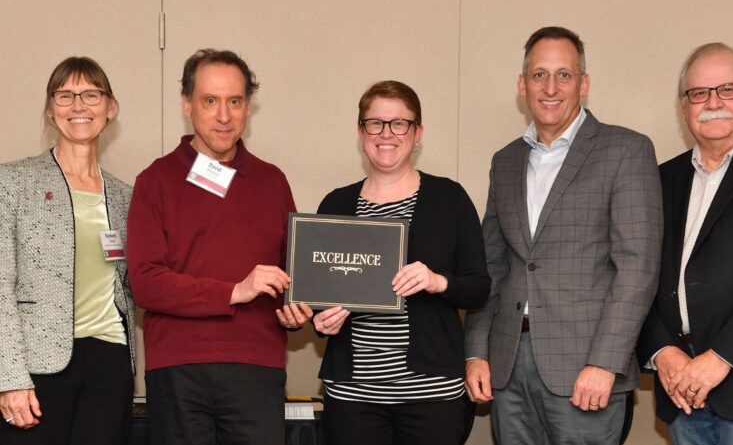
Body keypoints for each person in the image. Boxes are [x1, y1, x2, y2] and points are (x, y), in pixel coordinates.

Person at [463, 26, 663, 444]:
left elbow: (637, 268)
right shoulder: (505, 161)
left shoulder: (626, 150)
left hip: (586, 370)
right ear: (522, 85)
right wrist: (477, 350)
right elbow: (492, 267)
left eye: (564, 75)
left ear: (584, 83)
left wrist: (606, 363)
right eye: (539, 75)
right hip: (508, 365)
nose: (550, 87)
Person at [126, 49, 312, 445]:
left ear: (248, 108)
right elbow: (145, 284)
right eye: (210, 101)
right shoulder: (154, 181)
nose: (224, 115)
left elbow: (292, 280)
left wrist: (296, 310)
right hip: (178, 369)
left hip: (256, 367)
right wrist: (233, 291)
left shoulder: (272, 182)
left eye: (235, 101)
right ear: (187, 104)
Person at [311, 80, 490, 445]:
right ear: (361, 131)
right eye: (375, 123)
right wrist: (321, 320)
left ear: (417, 132)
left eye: (399, 123)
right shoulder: (336, 205)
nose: (386, 133)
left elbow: (479, 287)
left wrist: (438, 281)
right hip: (352, 394)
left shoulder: (449, 199)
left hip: (431, 394)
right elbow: (319, 293)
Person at [637, 43, 733, 445]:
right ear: (684, 106)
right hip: (679, 386)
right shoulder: (660, 179)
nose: (712, 102)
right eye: (699, 93)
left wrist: (719, 359)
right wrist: (663, 353)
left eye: (728, 89)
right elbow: (637, 273)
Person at [0, 57, 135, 444]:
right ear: (49, 108)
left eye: (91, 95)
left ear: (110, 108)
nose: (78, 106)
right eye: (65, 95)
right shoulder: (12, 182)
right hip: (37, 365)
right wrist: (8, 378)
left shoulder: (126, 196)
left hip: (109, 361)